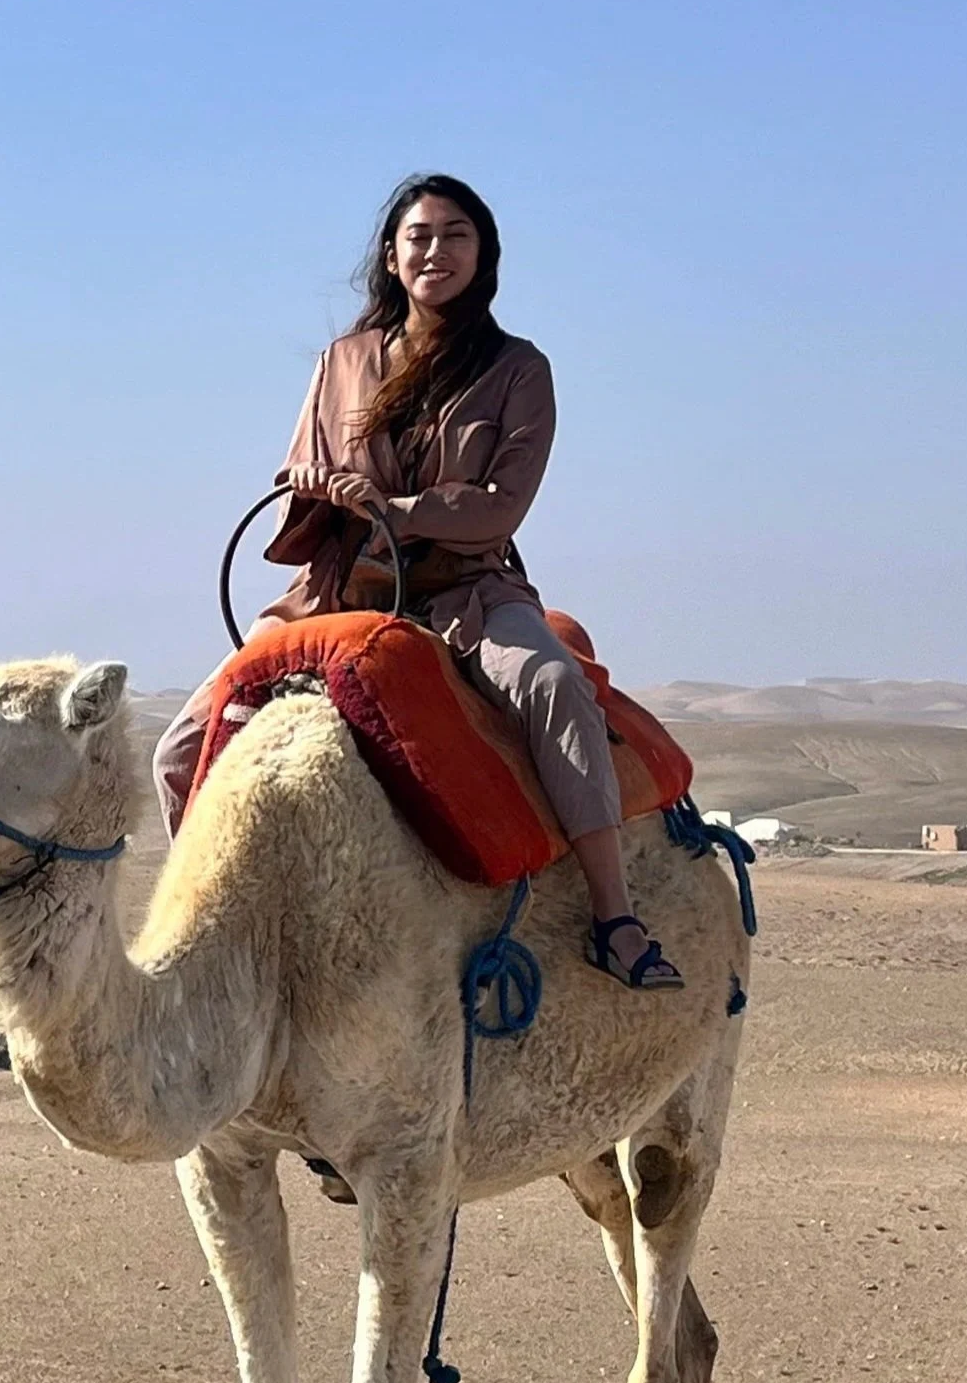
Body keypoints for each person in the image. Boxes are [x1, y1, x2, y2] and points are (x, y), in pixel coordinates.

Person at [157, 172, 682, 992]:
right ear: (394, 257)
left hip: (465, 594)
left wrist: (398, 510)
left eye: (455, 235)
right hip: (334, 596)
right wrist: (316, 483)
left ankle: (613, 913)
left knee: (550, 682)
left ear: (485, 254)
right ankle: (205, 933)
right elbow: (300, 472)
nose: (436, 250)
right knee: (183, 744)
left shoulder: (517, 370)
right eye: (420, 236)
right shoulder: (341, 362)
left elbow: (501, 507)